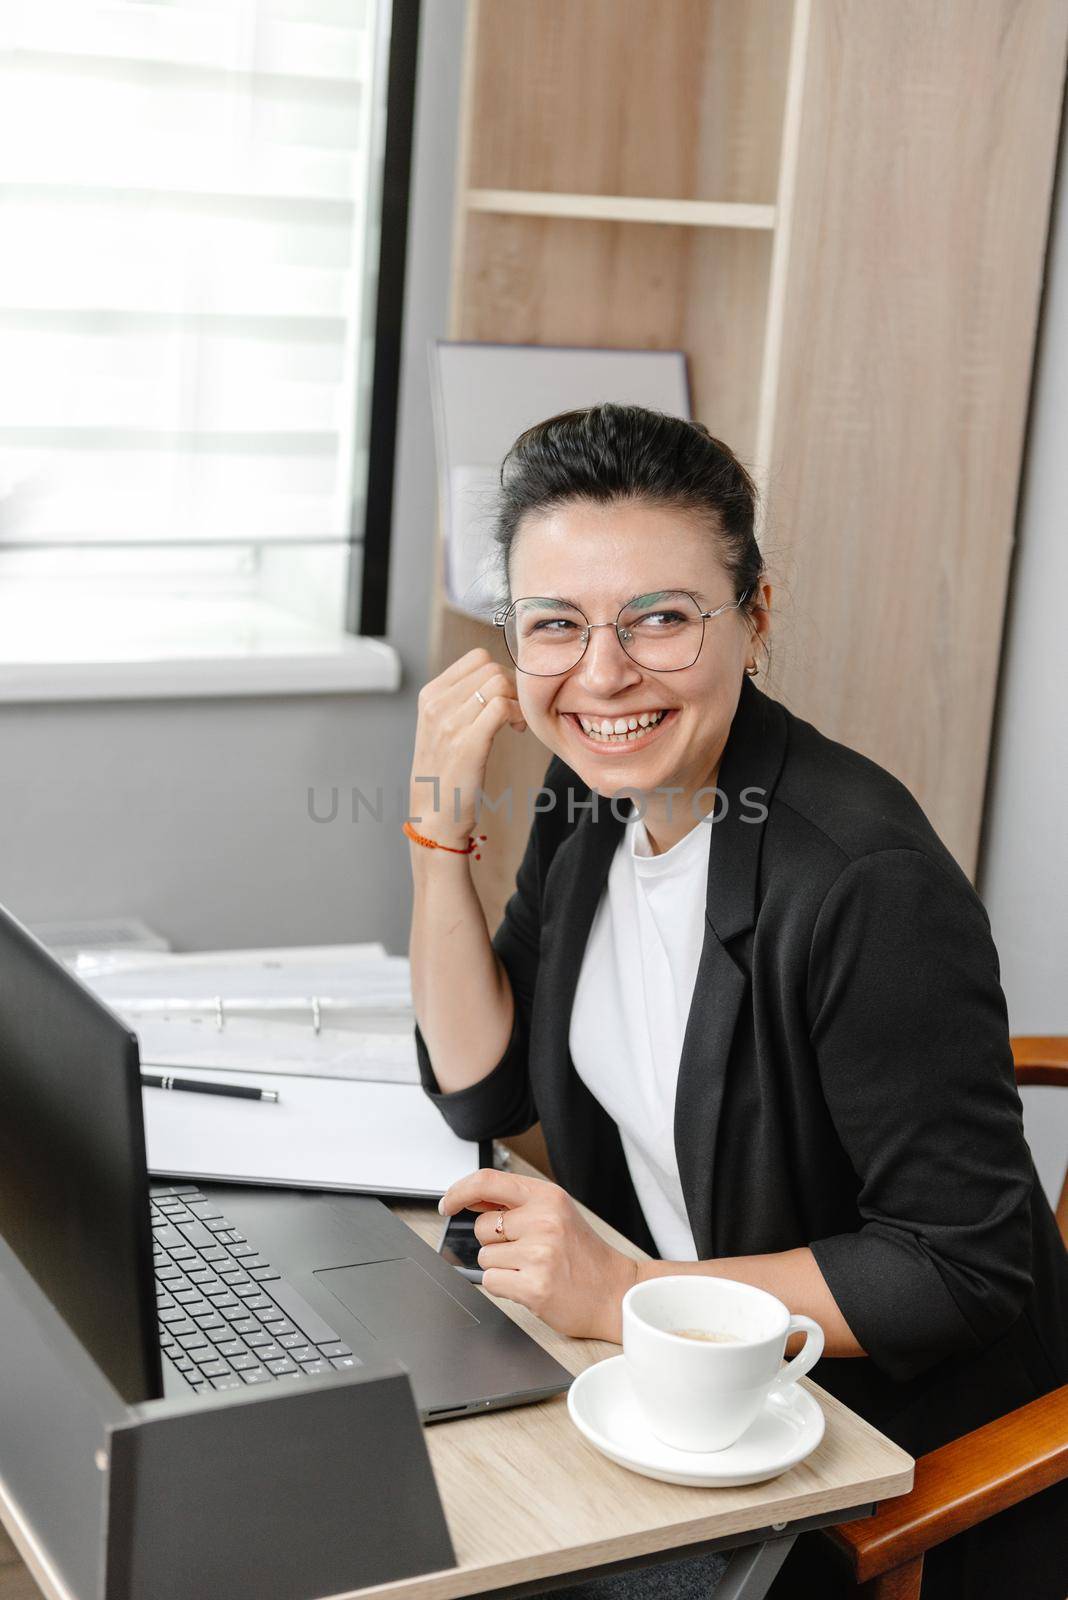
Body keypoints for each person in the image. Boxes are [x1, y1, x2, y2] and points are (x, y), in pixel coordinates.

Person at [406, 403, 1068, 1599]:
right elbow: (482, 1085)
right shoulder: (590, 799)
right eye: (555, 624)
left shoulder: (865, 885)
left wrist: (624, 1292)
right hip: (669, 1383)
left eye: (659, 617)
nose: (602, 674)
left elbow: (961, 1269)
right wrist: (434, 837)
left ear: (755, 618)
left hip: (857, 1449)